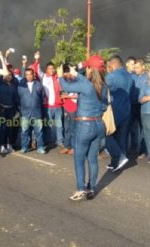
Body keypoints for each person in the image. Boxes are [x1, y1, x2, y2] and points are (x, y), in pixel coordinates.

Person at [59, 55, 107, 201]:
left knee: (79, 159)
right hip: (99, 124)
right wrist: (77, 72)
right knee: (92, 158)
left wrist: (61, 75)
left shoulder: (86, 84)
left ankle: (81, 189)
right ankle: (91, 188)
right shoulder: (103, 85)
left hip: (85, 125)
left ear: (89, 69)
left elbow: (66, 87)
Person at [105, 55, 133, 172]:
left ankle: (119, 158)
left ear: (114, 63)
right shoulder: (129, 76)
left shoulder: (112, 76)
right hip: (127, 109)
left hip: (115, 110)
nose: (109, 67)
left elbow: (102, 88)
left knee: (105, 134)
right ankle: (117, 162)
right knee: (121, 137)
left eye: (110, 64)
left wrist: (107, 72)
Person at [32, 51, 64, 147]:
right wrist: (37, 59)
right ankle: (48, 141)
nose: (52, 70)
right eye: (50, 68)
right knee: (48, 125)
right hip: (47, 106)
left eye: (53, 69)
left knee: (59, 125)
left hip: (58, 106)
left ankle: (60, 141)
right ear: (46, 69)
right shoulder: (43, 77)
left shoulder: (58, 77)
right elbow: (36, 69)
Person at [18, 68, 46, 154]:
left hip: (36, 112)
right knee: (24, 131)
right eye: (27, 74)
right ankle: (24, 147)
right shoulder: (21, 86)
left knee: (39, 131)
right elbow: (17, 98)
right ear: (25, 75)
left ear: (33, 74)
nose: (29, 76)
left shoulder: (39, 85)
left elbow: (43, 98)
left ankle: (40, 147)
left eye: (30, 74)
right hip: (25, 113)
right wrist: (21, 109)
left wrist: (37, 106)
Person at [0, 68, 19, 154]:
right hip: (2, 109)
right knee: (3, 128)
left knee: (10, 128)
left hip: (12, 109)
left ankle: (9, 145)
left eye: (10, 75)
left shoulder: (14, 84)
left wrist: (17, 109)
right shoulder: (0, 83)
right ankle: (2, 146)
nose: (8, 76)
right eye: (6, 75)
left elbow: (16, 98)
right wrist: (4, 57)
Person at [131, 58, 148, 158]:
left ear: (143, 67)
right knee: (131, 128)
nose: (135, 69)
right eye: (134, 67)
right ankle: (133, 148)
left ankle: (143, 150)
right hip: (132, 106)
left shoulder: (147, 78)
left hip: (143, 106)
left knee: (143, 129)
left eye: (137, 67)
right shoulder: (132, 76)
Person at [59, 64, 77, 155]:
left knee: (74, 128)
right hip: (66, 107)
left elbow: (78, 95)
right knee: (66, 128)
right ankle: (66, 146)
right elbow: (61, 93)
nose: (67, 75)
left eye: (68, 73)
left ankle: (74, 147)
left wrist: (66, 96)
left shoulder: (77, 81)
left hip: (74, 108)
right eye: (65, 73)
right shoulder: (64, 82)